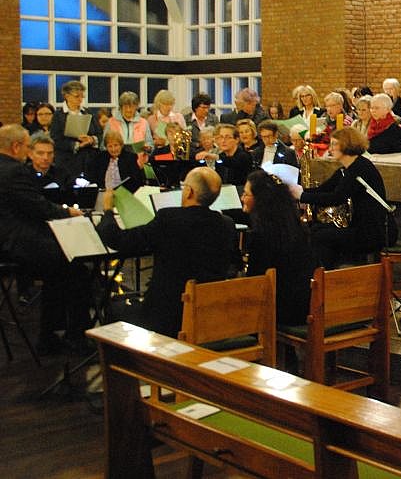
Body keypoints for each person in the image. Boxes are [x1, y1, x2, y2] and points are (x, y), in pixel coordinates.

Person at [97, 168, 237, 337]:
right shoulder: (226, 225)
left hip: (165, 317)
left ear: (189, 192)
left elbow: (119, 240)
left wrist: (107, 210)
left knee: (114, 307)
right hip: (208, 314)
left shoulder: (169, 219)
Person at [0, 125, 91, 355]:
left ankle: (51, 334)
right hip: (15, 242)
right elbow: (38, 207)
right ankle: (75, 336)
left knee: (61, 268)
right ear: (16, 146)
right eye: (28, 147)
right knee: (76, 265)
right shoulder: (14, 171)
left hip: (9, 238)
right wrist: (68, 212)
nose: (28, 152)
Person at [297, 127, 390, 267]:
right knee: (316, 229)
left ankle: (328, 274)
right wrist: (298, 192)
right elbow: (323, 189)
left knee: (320, 236)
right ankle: (325, 273)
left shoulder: (360, 168)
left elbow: (336, 198)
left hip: (372, 232)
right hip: (359, 226)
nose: (330, 149)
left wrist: (302, 196)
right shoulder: (346, 169)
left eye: (334, 144)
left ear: (347, 144)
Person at [242, 170, 315, 325]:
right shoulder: (297, 228)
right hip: (304, 305)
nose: (242, 198)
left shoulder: (262, 234)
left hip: (279, 311)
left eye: (246, 194)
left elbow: (255, 281)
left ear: (260, 200)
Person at [50, 80, 102, 173]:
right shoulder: (58, 115)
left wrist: (91, 139)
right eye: (77, 96)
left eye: (82, 96)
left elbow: (99, 134)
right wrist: (76, 144)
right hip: (67, 161)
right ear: (67, 96)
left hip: (89, 159)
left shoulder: (88, 112)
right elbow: (55, 139)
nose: (80, 99)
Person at [26, 133, 74, 204]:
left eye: (50, 153)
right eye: (40, 153)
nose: (46, 158)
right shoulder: (23, 174)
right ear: (30, 154)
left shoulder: (62, 174)